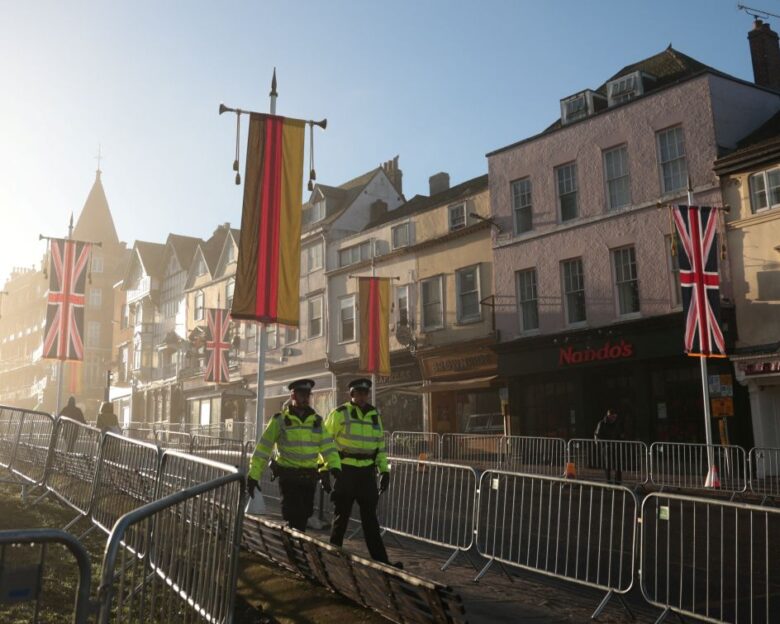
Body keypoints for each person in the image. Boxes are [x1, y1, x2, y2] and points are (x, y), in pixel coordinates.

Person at [246, 379, 340, 532]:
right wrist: (253, 475)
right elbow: (263, 449)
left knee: (303, 517)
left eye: (307, 395)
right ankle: (293, 550)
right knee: (293, 516)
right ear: (293, 396)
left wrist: (334, 467)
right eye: (301, 394)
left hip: (309, 479)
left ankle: (293, 548)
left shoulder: (316, 422)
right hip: (289, 478)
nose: (305, 398)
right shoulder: (280, 420)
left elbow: (328, 447)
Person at [325, 378, 400, 568]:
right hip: (346, 471)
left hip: (367, 473)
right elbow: (325, 442)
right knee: (342, 517)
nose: (362, 397)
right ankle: (333, 556)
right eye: (358, 393)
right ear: (352, 394)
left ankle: (382, 561)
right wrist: (325, 468)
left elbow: (380, 446)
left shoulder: (374, 414)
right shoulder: (340, 413)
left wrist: (385, 470)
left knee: (370, 520)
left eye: (365, 393)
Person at [594, 408, 624, 484]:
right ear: (608, 416)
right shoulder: (602, 423)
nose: (614, 418)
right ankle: (609, 482)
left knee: (618, 465)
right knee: (607, 465)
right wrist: (601, 444)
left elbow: (619, 434)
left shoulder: (617, 423)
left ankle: (618, 482)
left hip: (616, 447)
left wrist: (622, 438)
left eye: (615, 416)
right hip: (606, 447)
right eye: (612, 416)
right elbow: (597, 435)